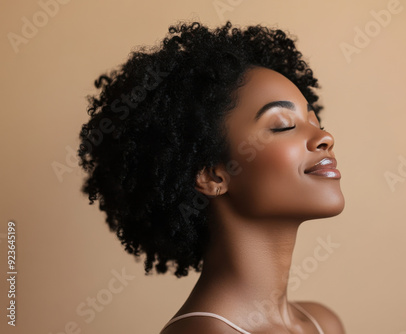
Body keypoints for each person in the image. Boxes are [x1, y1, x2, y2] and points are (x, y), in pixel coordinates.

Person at [78, 20, 345, 334]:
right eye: (283, 125)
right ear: (212, 175)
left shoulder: (323, 323)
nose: (324, 136)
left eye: (315, 120)